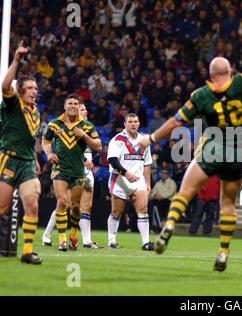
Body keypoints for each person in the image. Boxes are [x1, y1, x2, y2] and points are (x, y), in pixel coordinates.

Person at [140, 13, 242, 272]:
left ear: (211, 74)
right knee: (227, 204)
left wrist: (151, 138)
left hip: (213, 146)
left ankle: (169, 224)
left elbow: (175, 123)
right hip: (237, 149)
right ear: (231, 71)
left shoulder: (200, 95)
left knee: (186, 191)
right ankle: (223, 252)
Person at [42, 94, 101, 251]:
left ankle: (73, 235)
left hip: (78, 170)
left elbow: (98, 146)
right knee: (62, 201)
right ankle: (62, 240)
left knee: (75, 206)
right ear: (65, 106)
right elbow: (45, 140)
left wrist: (84, 136)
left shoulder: (87, 126)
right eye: (70, 103)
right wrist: (48, 154)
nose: (73, 106)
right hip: (60, 169)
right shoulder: (55, 124)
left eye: (76, 103)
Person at [0, 41, 42, 264]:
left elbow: (30, 139)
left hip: (26, 162)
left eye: (36, 89)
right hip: (8, 159)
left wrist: (35, 158)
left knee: (32, 205)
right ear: (21, 90)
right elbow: (5, 86)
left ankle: (27, 252)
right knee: (2, 206)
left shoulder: (36, 114)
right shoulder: (13, 104)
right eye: (30, 89)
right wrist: (16, 60)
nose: (34, 92)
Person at [107, 113, 153, 251]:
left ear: (139, 123)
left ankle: (146, 242)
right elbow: (112, 160)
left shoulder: (144, 140)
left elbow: (147, 163)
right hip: (120, 179)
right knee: (117, 212)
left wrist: (147, 183)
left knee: (143, 210)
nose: (133, 124)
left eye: (136, 121)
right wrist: (126, 173)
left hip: (138, 181)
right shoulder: (117, 139)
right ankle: (112, 240)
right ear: (125, 124)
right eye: (130, 121)